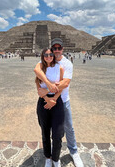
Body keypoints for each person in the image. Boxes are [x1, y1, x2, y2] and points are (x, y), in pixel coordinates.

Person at [34, 38, 84, 167]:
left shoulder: (66, 64)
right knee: (46, 130)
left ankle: (74, 152)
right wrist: (47, 92)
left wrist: (49, 93)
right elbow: (37, 72)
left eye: (59, 48)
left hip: (63, 100)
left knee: (68, 128)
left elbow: (65, 83)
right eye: (54, 48)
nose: (56, 51)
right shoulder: (47, 60)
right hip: (46, 101)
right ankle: (49, 157)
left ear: (62, 49)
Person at [35, 48, 65, 167]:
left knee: (57, 134)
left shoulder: (60, 67)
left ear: (53, 55)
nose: (49, 56)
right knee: (45, 132)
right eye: (46, 55)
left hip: (57, 102)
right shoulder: (40, 67)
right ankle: (48, 156)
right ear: (42, 56)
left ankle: (56, 158)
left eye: (51, 54)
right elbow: (38, 85)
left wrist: (54, 99)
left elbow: (61, 87)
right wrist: (47, 99)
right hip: (43, 102)